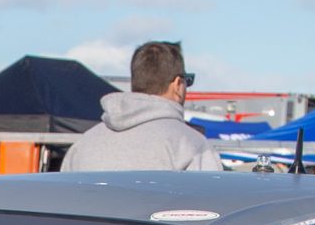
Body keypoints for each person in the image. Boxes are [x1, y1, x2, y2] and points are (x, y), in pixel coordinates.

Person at [61, 40, 221, 173]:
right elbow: (214, 204)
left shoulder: (82, 146)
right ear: (178, 85)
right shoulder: (192, 145)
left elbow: (63, 203)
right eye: (187, 81)